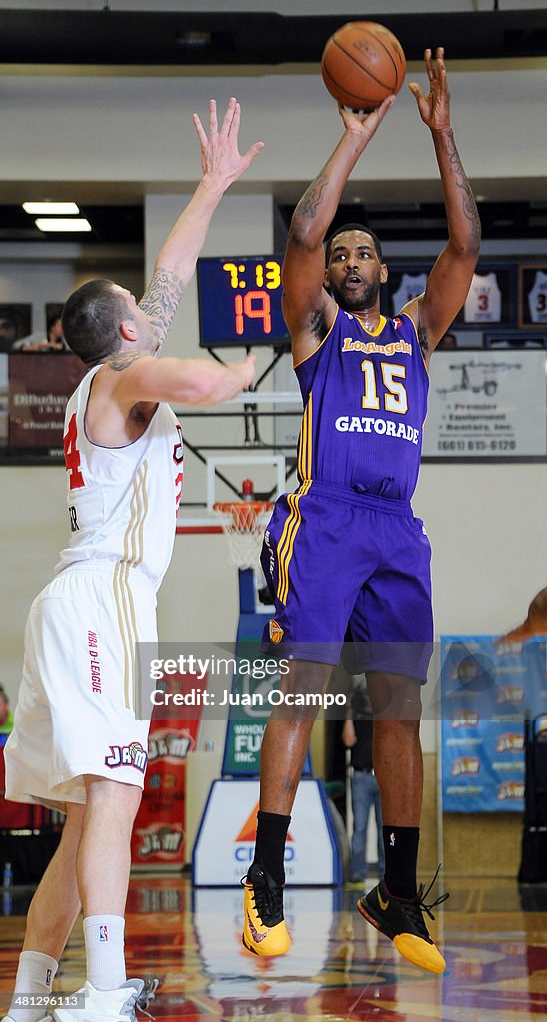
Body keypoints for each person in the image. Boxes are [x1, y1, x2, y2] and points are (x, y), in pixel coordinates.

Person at [4, 97, 262, 1022]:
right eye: (138, 316)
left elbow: (168, 277)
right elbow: (193, 372)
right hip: (105, 596)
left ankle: (31, 997)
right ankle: (105, 990)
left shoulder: (96, 382)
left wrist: (213, 185)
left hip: (69, 600)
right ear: (121, 335)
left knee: (86, 819)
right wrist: (253, 364)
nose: (151, 314)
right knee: (118, 793)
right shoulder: (125, 378)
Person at [242, 48, 480, 975]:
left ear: (383, 270)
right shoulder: (315, 334)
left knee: (397, 706)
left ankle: (396, 889)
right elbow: (301, 232)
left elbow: (464, 244)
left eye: (358, 252)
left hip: (396, 529)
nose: (343, 258)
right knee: (303, 689)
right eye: (339, 253)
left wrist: (440, 132)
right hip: (326, 515)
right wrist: (355, 136)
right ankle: (266, 881)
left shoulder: (418, 329)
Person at [342, 678, 384, 885]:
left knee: (385, 828)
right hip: (361, 777)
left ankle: (387, 874)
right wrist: (349, 712)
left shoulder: (385, 715)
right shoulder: (356, 716)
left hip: (383, 777)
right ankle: (358, 872)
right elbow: (348, 741)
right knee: (359, 828)